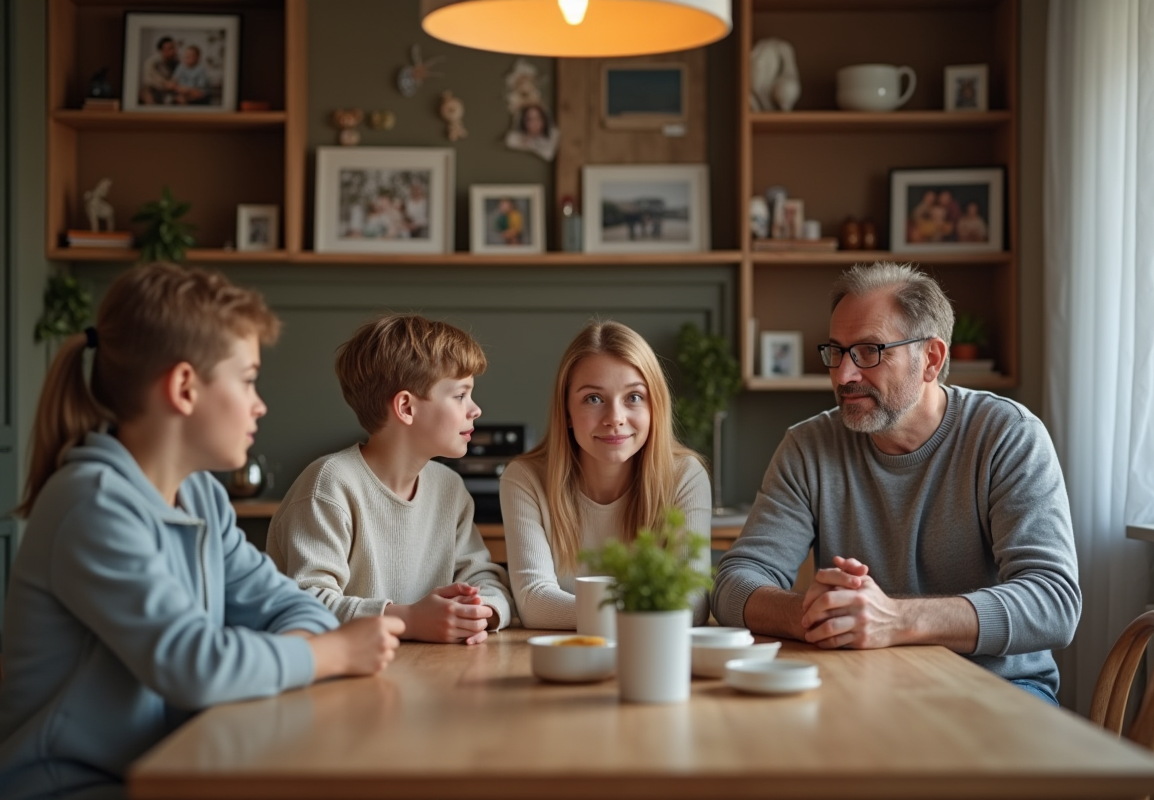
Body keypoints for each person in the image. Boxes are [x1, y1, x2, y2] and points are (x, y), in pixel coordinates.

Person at [0, 263, 405, 800]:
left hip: (180, 762)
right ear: (184, 387)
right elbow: (192, 664)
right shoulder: (93, 505)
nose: (259, 403)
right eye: (247, 379)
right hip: (75, 785)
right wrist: (329, 654)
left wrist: (263, 658)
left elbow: (292, 607)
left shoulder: (201, 498)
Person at [711, 262, 1080, 704]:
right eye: (836, 351)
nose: (844, 375)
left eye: (869, 351)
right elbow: (734, 582)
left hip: (999, 689)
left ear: (931, 359)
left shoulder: (1007, 435)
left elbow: (1052, 604)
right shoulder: (808, 446)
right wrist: (815, 613)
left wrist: (895, 619)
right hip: (860, 687)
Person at [266, 314, 514, 644]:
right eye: (460, 395)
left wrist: (483, 612)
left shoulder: (449, 488)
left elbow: (484, 576)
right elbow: (307, 603)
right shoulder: (329, 485)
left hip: (429, 671)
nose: (475, 410)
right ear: (406, 408)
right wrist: (409, 620)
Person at [501, 320, 711, 629]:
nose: (615, 418)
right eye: (593, 399)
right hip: (565, 655)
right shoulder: (525, 479)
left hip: (652, 653)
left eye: (634, 397)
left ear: (655, 408)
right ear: (567, 412)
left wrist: (602, 615)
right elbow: (534, 602)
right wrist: (641, 615)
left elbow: (692, 604)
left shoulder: (686, 476)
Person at [140, 36, 180, 105]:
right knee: (146, 94)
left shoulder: (176, 62)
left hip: (170, 91)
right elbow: (149, 80)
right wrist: (165, 84)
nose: (173, 51)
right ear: (161, 50)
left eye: (174, 48)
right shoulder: (151, 62)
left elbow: (178, 77)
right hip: (153, 89)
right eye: (170, 48)